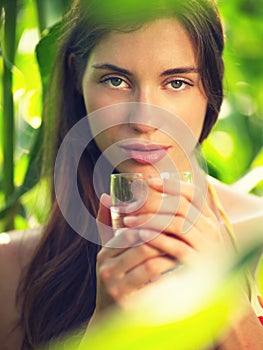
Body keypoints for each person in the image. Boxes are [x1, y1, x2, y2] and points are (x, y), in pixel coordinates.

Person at [0, 0, 262, 349]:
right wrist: (103, 329)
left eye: (177, 82)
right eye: (116, 80)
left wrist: (232, 312)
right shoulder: (11, 270)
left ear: (212, 86)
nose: (143, 119)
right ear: (77, 76)